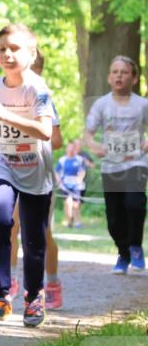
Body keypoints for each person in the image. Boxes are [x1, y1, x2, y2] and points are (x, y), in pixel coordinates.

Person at [0, 25, 54, 328]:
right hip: (4, 166)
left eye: (15, 48)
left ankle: (34, 296)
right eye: (2, 49)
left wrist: (4, 115)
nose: (8, 54)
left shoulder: (38, 89)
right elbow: (1, 125)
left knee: (34, 240)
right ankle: (1, 294)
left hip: (35, 170)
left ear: (31, 54)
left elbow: (46, 131)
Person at [8, 49, 65, 307]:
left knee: (42, 232)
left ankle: (52, 282)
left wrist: (31, 136)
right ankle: (10, 281)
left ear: (37, 69)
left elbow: (57, 140)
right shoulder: (8, 98)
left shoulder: (44, 99)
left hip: (39, 175)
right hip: (13, 172)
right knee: (11, 227)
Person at [83, 55, 148, 274]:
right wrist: (95, 147)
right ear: (109, 77)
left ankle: (136, 246)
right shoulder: (101, 104)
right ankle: (123, 252)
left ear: (134, 78)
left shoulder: (142, 105)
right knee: (114, 218)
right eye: (115, 72)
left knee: (134, 204)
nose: (119, 76)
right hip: (110, 165)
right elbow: (88, 135)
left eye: (124, 72)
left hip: (136, 162)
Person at [56, 142, 85, 227]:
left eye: (72, 148)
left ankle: (77, 222)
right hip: (65, 185)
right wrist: (59, 181)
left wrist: (80, 179)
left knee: (76, 205)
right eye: (69, 147)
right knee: (68, 203)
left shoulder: (79, 159)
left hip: (76, 185)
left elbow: (82, 171)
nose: (71, 149)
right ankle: (69, 221)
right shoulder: (62, 160)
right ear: (66, 149)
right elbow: (57, 171)